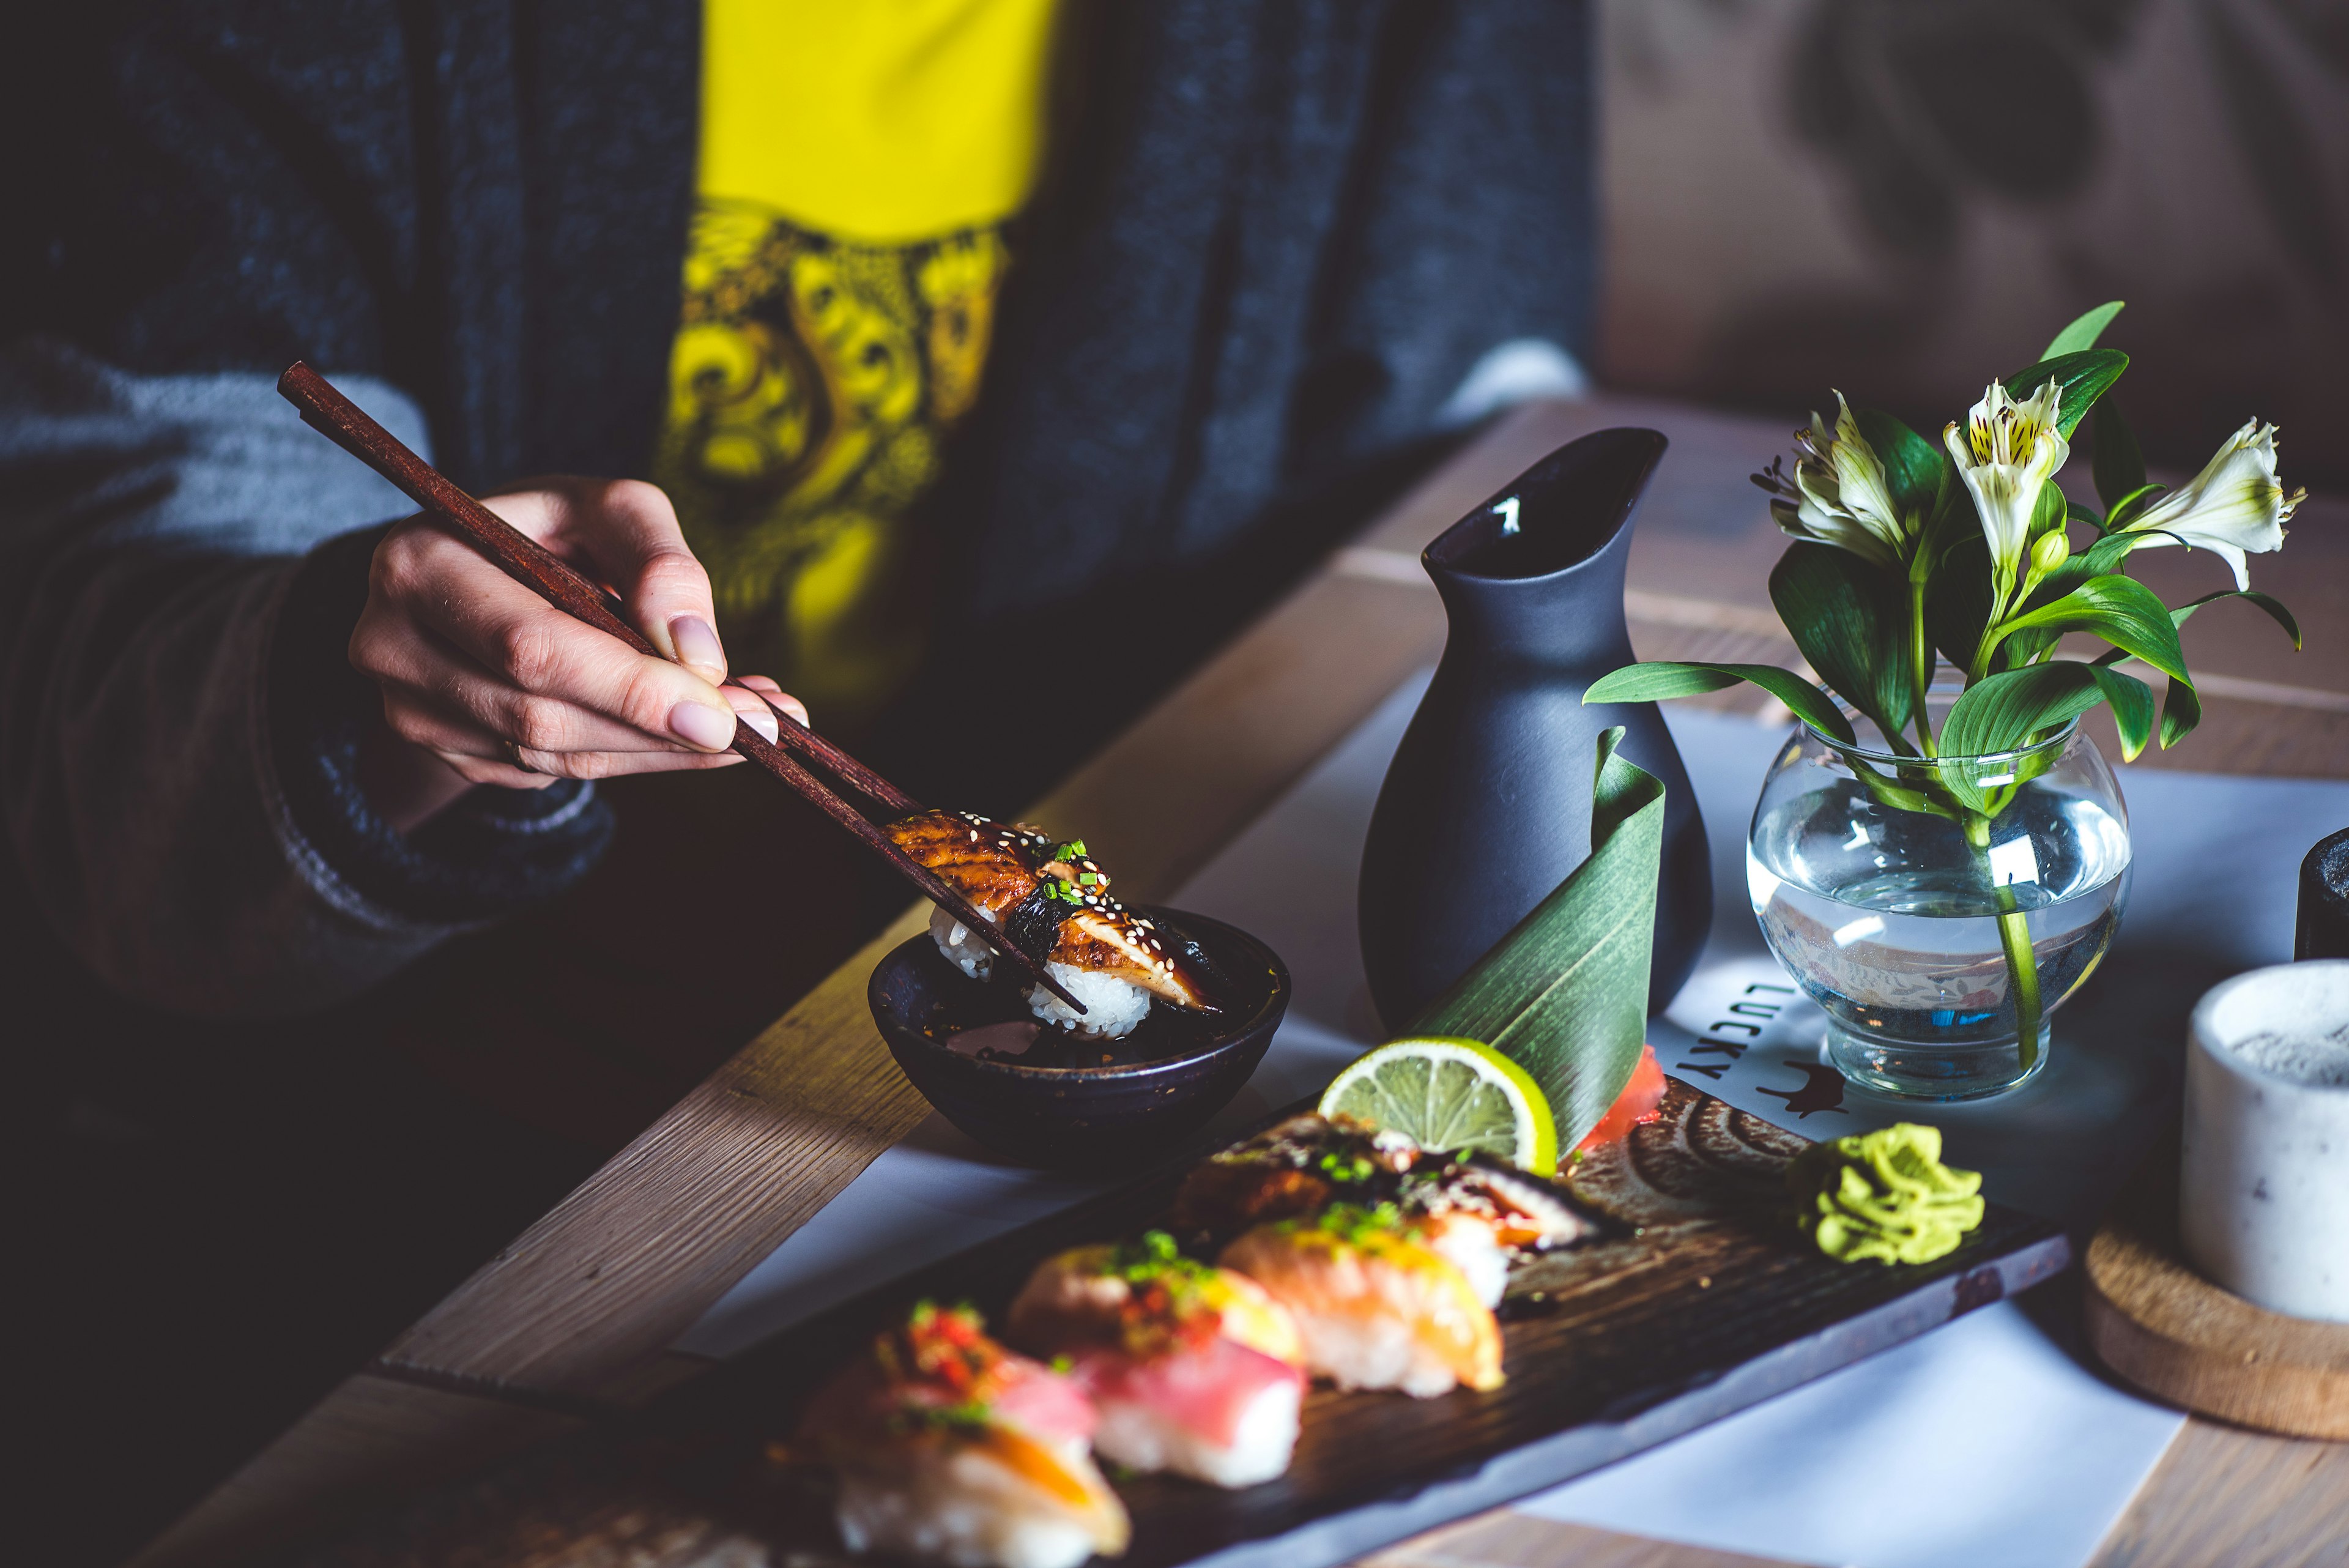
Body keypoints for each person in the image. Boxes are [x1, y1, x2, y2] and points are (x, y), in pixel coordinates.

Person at [4, 2, 1596, 1558]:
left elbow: (1486, 449)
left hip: (1083, 1109)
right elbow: (107, 761)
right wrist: (373, 704)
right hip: (388, 1150)